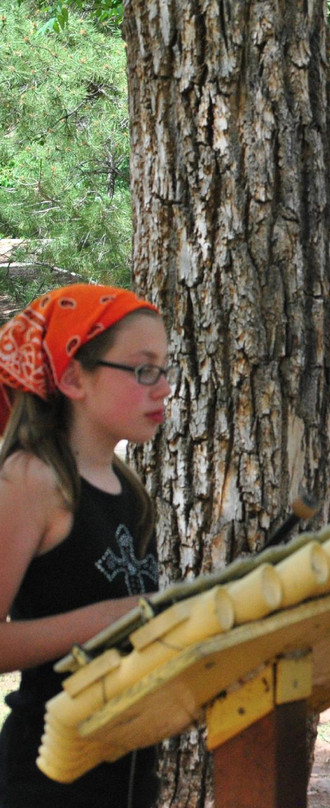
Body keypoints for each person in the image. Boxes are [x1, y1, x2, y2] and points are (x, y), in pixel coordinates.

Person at [0, 284, 175, 807]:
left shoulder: (129, 488)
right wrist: (114, 618)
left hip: (125, 778)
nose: (162, 388)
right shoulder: (31, 480)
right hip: (46, 783)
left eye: (166, 368)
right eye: (144, 369)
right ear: (75, 376)